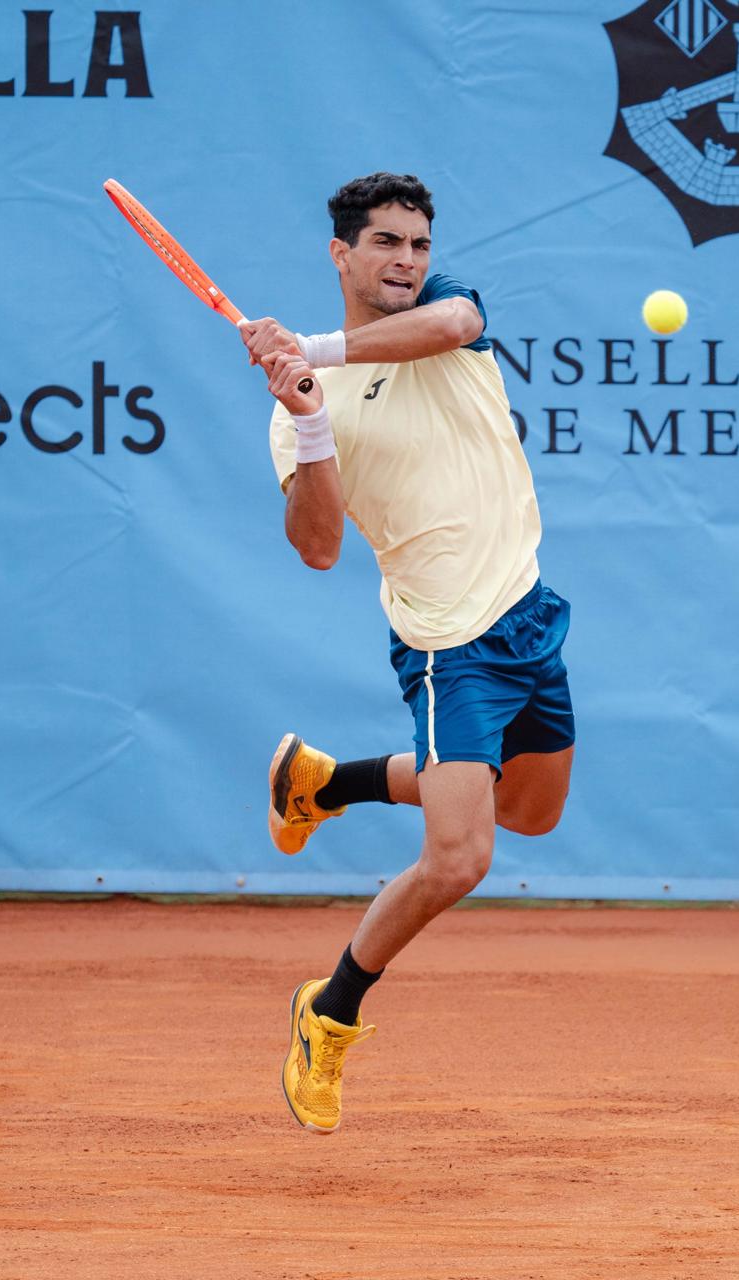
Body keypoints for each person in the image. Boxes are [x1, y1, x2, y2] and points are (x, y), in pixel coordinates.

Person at [240, 172, 576, 1135]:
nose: (408, 262)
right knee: (462, 854)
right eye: (386, 244)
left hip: (528, 612)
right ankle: (330, 1008)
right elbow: (317, 545)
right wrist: (309, 411)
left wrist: (314, 348)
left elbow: (453, 323)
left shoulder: (440, 308)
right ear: (340, 254)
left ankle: (324, 783)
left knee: (530, 813)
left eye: (418, 244)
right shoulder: (299, 403)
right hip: (447, 645)